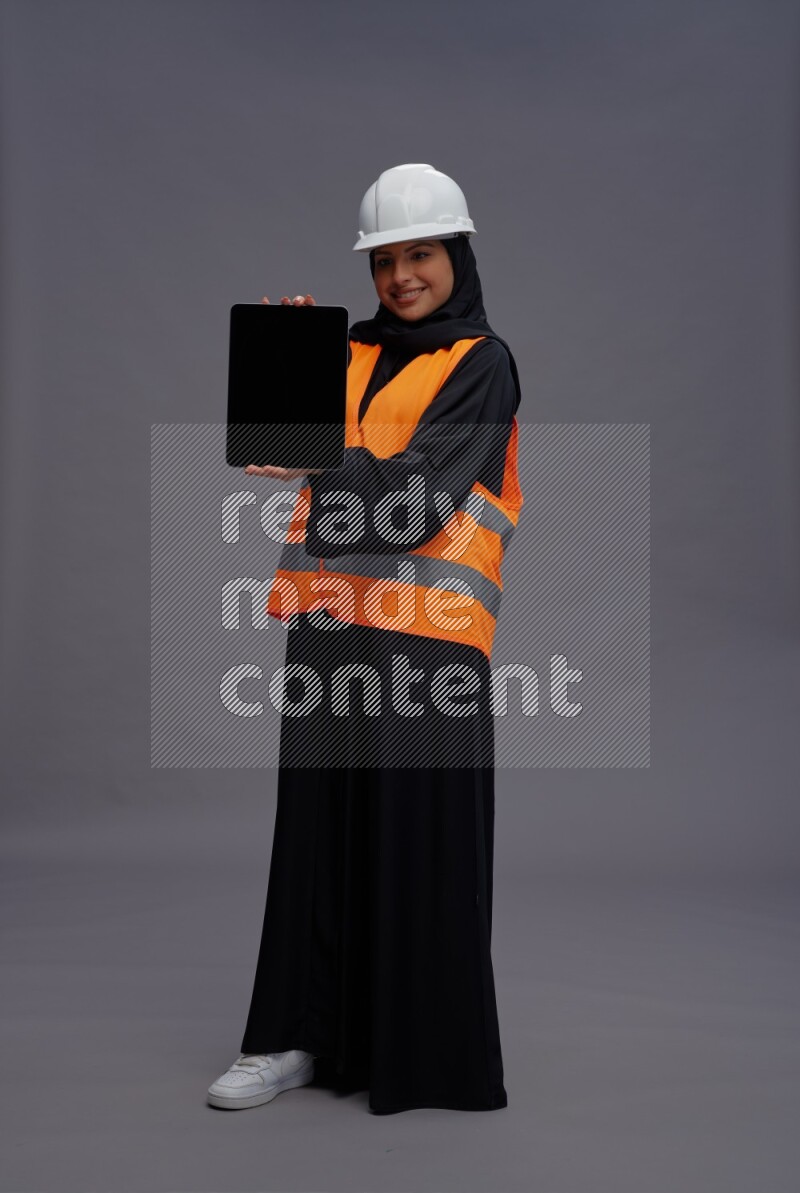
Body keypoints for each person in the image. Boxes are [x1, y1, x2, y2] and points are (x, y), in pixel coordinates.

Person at [207, 163, 524, 1114]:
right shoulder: (343, 354)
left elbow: (423, 497)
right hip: (330, 627)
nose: (400, 277)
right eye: (384, 261)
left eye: (420, 254)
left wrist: (319, 457)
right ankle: (294, 1037)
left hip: (429, 644)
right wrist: (290, 370)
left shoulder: (482, 363)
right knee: (316, 841)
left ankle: (418, 1053)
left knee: (417, 848)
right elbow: (284, 443)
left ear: (456, 256)